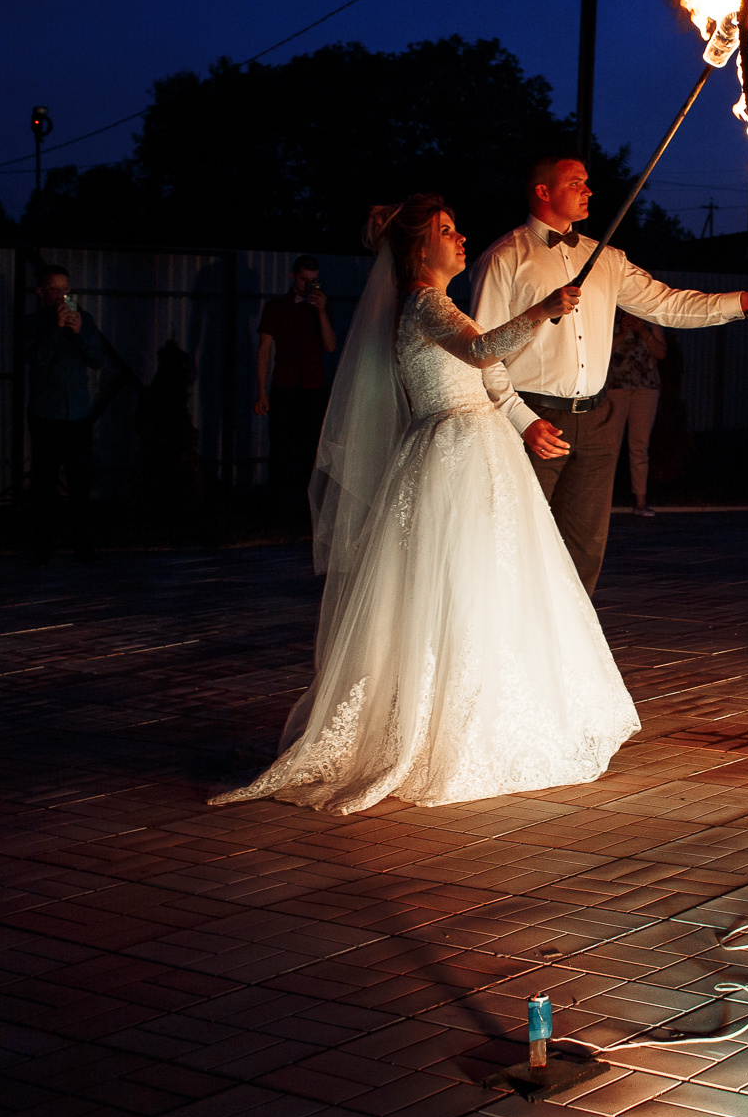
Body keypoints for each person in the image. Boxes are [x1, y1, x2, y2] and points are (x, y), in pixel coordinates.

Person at [211, 194, 638, 814]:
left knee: (492, 584)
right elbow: (480, 351)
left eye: (458, 227)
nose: (460, 237)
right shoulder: (421, 300)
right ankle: (450, 726)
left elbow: (487, 369)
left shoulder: (441, 304)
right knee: (457, 584)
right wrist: (544, 309)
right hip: (451, 454)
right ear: (418, 248)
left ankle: (496, 711)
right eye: (446, 230)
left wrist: (521, 417)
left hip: (481, 449)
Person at [471, 157, 748, 592]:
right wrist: (522, 422)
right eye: (575, 182)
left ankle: (571, 650)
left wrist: (743, 302)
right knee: (515, 541)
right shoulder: (504, 258)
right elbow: (483, 354)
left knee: (584, 548)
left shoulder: (606, 259)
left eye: (587, 182)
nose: (588, 190)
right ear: (543, 191)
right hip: (535, 421)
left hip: (599, 421)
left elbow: (668, 304)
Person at [20, 265, 105, 563]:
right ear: (41, 292)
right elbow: (37, 359)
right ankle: (44, 545)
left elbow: (96, 360)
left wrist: (79, 333)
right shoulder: (33, 324)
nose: (62, 296)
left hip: (78, 413)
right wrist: (55, 328)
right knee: (45, 482)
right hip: (47, 413)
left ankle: (83, 544)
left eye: (66, 289)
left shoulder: (84, 319)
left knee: (80, 481)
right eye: (55, 289)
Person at [255, 255, 335, 514]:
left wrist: (321, 311)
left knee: (310, 450)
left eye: (314, 280)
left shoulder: (319, 307)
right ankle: (280, 509)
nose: (309, 285)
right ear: (293, 276)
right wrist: (262, 392)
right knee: (282, 448)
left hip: (314, 388)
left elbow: (330, 345)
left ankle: (306, 511)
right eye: (305, 280)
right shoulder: (276, 307)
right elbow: (264, 350)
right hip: (285, 386)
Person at [602, 311, 666, 518]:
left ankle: (640, 501)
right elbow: (601, 351)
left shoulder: (651, 317)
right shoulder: (610, 314)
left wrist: (643, 331)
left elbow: (661, 352)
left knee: (639, 446)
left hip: (646, 388)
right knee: (609, 446)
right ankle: (601, 500)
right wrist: (623, 332)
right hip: (615, 387)